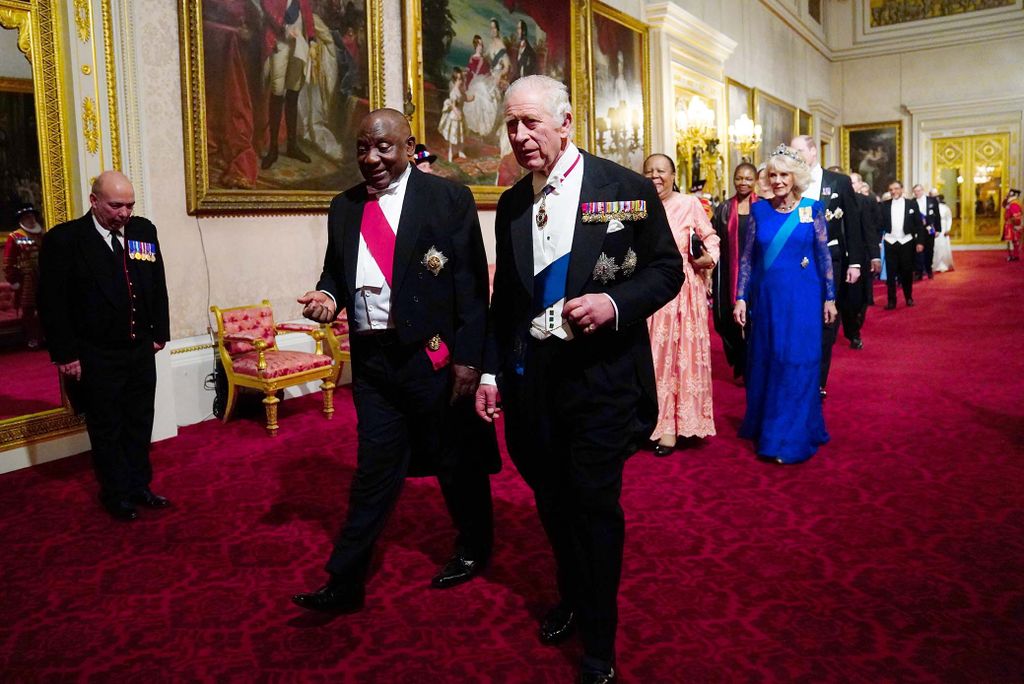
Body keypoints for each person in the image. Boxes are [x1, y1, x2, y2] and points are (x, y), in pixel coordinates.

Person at [476, 75, 683, 684]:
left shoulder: (623, 190)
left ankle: (600, 641)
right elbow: (506, 303)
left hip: (601, 384)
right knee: (551, 501)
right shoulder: (513, 202)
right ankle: (570, 593)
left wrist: (613, 305)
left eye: (531, 123)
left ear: (566, 123)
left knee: (593, 508)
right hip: (533, 387)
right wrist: (491, 371)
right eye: (511, 125)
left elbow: (667, 270)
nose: (519, 136)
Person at [291, 109, 499, 615]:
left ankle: (475, 545)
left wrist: (470, 361)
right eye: (363, 148)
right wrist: (326, 298)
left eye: (384, 147)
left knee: (454, 461)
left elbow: (472, 287)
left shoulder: (448, 199)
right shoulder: (343, 207)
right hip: (375, 364)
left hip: (433, 357)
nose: (372, 159)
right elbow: (335, 273)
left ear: (408, 146)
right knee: (373, 469)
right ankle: (345, 580)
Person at [36, 171, 171, 521]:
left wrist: (160, 332)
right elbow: (52, 304)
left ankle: (139, 485)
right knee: (107, 426)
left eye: (129, 205)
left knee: (140, 421)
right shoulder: (65, 240)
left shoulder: (143, 231)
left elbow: (157, 282)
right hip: (96, 353)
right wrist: (65, 355)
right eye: (115, 206)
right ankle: (115, 493)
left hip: (140, 348)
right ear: (94, 201)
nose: (124, 213)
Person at [733, 145, 835, 464]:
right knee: (770, 361)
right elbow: (747, 258)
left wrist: (830, 297)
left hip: (804, 298)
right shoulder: (759, 211)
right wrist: (740, 296)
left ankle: (790, 437)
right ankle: (769, 427)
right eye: (773, 174)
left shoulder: (812, 209)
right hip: (768, 301)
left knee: (797, 362)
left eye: (784, 174)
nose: (777, 181)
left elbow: (823, 256)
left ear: (795, 177)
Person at [643, 153, 719, 455]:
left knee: (678, 358)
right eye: (648, 171)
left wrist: (708, 258)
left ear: (674, 175)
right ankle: (650, 422)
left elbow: (711, 238)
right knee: (652, 359)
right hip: (648, 292)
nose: (654, 176)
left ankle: (672, 428)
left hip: (683, 290)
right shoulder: (639, 206)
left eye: (661, 170)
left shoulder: (689, 204)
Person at [790, 136, 863, 398]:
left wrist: (855, 261)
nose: (794, 155)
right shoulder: (791, 180)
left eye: (798, 150)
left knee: (825, 319)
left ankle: (818, 382)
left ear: (812, 151)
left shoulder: (838, 182)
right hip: (796, 260)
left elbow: (853, 223)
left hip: (829, 258)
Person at [712, 163, 759, 381]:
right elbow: (713, 239)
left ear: (756, 180)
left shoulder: (763, 208)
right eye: (739, 178)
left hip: (755, 271)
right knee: (724, 320)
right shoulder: (723, 209)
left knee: (752, 319)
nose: (743, 183)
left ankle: (751, 364)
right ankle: (738, 358)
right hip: (727, 271)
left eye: (748, 179)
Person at [260, 0, 315, 169]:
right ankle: (273, 149)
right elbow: (267, 6)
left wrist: (312, 40)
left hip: (299, 44)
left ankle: (292, 146)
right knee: (277, 92)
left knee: (293, 92)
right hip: (279, 42)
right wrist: (284, 28)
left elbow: (307, 13)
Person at [2, 203, 45, 348]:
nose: (31, 219)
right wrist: (13, 280)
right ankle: (31, 338)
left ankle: (44, 336)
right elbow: (8, 261)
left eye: (32, 216)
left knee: (46, 307)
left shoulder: (42, 234)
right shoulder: (15, 236)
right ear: (22, 219)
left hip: (43, 276)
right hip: (26, 278)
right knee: (28, 309)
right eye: (27, 216)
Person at [881, 180, 924, 309]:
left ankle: (908, 297)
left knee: (906, 272)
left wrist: (920, 242)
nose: (894, 191)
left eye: (896, 189)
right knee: (890, 273)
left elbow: (919, 225)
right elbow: (879, 223)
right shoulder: (884, 205)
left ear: (902, 189)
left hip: (906, 242)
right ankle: (891, 301)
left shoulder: (912, 204)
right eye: (891, 189)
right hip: (890, 241)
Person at [438, 67, 472, 161]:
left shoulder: (460, 91)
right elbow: (453, 106)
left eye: (461, 79)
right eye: (458, 79)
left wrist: (472, 98)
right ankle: (451, 153)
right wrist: (457, 114)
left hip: (460, 115)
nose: (460, 81)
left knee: (461, 135)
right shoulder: (454, 92)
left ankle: (460, 151)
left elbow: (464, 98)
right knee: (453, 137)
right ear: (455, 80)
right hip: (455, 117)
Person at [911, 184, 941, 279]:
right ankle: (919, 271)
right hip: (917, 230)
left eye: (919, 190)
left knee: (929, 249)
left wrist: (938, 229)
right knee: (918, 251)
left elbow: (937, 215)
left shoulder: (932, 200)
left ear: (923, 190)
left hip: (930, 229)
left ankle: (928, 269)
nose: (917, 193)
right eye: (915, 191)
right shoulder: (911, 202)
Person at [930, 190, 955, 272]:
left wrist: (948, 229)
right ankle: (933, 265)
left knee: (943, 247)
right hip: (932, 229)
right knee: (934, 247)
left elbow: (949, 219)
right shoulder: (929, 207)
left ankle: (943, 264)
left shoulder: (945, 208)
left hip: (943, 229)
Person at [1002, 189, 1022, 262]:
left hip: (1012, 225)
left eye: (1009, 194)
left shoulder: (1014, 204)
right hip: (1009, 224)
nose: (1007, 195)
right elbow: (1003, 205)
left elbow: (1017, 217)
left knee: (1014, 241)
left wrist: (1015, 225)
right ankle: (1011, 255)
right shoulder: (1010, 203)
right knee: (1011, 241)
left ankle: (1014, 256)